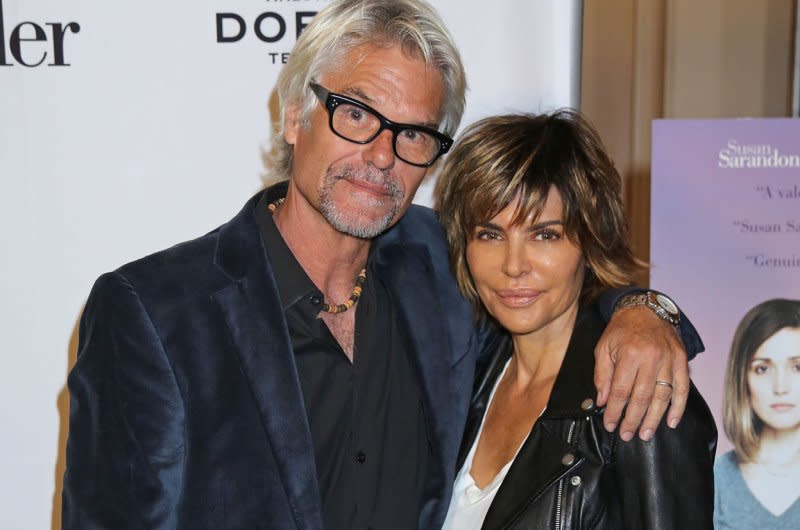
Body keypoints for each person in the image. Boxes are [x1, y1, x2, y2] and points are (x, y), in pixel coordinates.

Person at [61, 2, 702, 529]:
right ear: (294, 116)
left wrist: (645, 310)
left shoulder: (442, 270)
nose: (380, 156)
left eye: (413, 133)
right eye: (357, 114)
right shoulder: (152, 312)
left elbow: (556, 279)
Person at [436, 111, 717, 529]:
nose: (513, 266)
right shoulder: (465, 378)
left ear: (590, 241)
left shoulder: (637, 395)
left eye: (545, 234)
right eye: (490, 234)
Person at [714, 298, 800, 528]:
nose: (781, 387)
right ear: (742, 378)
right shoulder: (716, 480)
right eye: (762, 369)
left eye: (798, 367)